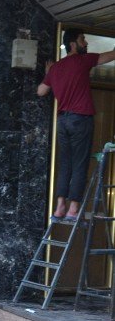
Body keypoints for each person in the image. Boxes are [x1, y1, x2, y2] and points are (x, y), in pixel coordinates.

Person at [38, 30, 115, 221]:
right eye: (82, 39)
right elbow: (112, 55)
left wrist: (49, 74)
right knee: (80, 163)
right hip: (81, 119)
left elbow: (41, 91)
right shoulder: (83, 60)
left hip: (63, 121)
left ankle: (60, 208)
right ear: (73, 44)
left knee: (66, 164)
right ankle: (73, 209)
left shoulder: (56, 68)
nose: (86, 42)